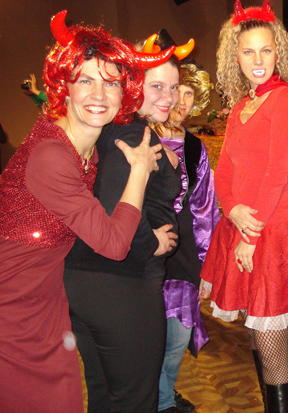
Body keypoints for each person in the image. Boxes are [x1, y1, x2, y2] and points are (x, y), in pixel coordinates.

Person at [0, 10, 166, 413]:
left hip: (45, 305)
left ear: (125, 93)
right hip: (11, 311)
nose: (99, 95)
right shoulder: (52, 155)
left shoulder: (85, 147)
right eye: (85, 81)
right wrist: (140, 171)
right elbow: (114, 244)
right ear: (65, 86)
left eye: (111, 83)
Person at [199, 1, 288, 411]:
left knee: (272, 346)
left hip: (271, 234)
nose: (257, 60)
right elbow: (224, 170)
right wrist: (231, 210)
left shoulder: (286, 99)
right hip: (242, 228)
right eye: (248, 51)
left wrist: (250, 235)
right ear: (235, 57)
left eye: (265, 50)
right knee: (258, 337)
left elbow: (278, 175)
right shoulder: (241, 107)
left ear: (279, 53)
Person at [63, 31, 193, 413]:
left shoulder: (117, 129)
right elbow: (111, 210)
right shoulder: (134, 134)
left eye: (173, 87)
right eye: (157, 86)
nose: (169, 97)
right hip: (122, 289)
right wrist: (151, 242)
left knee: (105, 399)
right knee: (136, 402)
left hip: (89, 284)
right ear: (134, 85)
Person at [150, 58, 220, 413]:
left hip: (184, 258)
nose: (180, 100)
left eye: (189, 93)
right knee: (147, 341)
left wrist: (208, 266)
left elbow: (205, 211)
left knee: (177, 339)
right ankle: (161, 402)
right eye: (175, 89)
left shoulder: (195, 148)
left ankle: (162, 396)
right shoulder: (138, 137)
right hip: (144, 254)